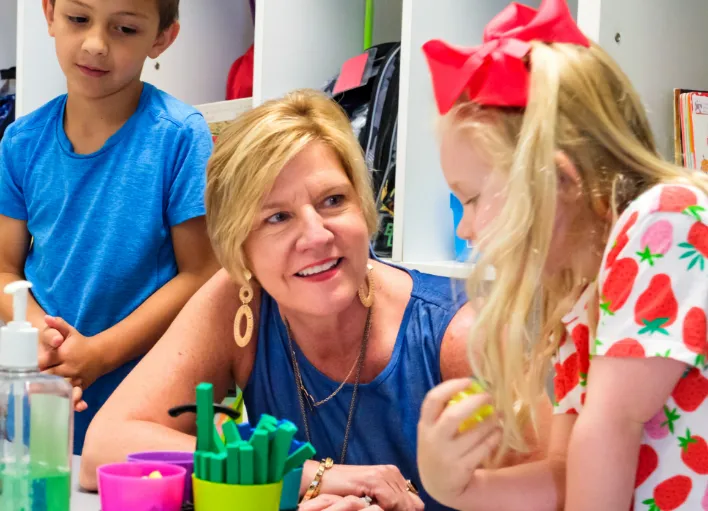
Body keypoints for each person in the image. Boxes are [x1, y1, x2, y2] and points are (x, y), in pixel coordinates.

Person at [79, 89, 551, 510]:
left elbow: (560, 493)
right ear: (238, 249)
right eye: (277, 217)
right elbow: (105, 444)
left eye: (332, 201)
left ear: (364, 210)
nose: (316, 235)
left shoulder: (459, 336)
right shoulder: (241, 301)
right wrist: (310, 476)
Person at [416, 0, 708, 510]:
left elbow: (610, 430)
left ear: (559, 180)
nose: (464, 226)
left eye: (472, 198)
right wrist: (459, 489)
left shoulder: (666, 221)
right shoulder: (579, 305)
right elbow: (566, 475)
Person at [0, 0, 219, 454]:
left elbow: (202, 275)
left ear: (162, 37)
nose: (96, 45)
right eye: (78, 19)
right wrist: (43, 336)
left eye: (124, 29)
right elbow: (5, 270)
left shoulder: (180, 135)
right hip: (44, 398)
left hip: (146, 402)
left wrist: (99, 354)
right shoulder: (20, 143)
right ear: (49, 14)